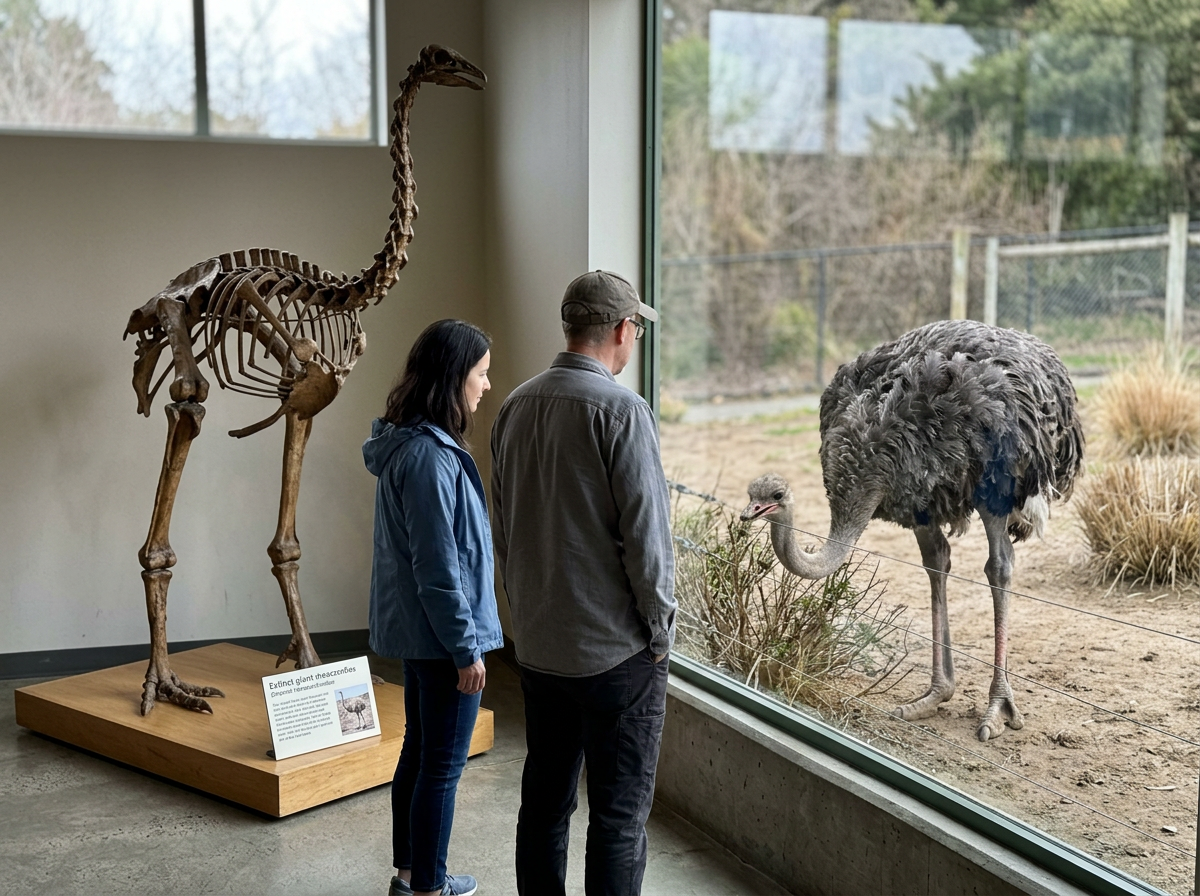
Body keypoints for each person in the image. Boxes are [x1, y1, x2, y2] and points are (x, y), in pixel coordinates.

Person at [490, 270, 677, 896]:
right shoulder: (624, 411)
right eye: (637, 331)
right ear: (623, 331)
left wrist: (527, 620)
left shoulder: (513, 406)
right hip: (616, 656)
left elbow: (505, 532)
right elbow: (648, 543)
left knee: (543, 806)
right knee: (619, 820)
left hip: (541, 653)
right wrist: (660, 635)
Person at [363, 319, 504, 896]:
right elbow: (439, 566)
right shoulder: (427, 458)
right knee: (441, 765)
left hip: (426, 636)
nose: (486, 386)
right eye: (481, 374)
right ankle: (428, 887)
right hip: (442, 640)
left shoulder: (418, 447)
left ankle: (411, 875)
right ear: (453, 380)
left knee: (420, 752)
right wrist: (466, 649)